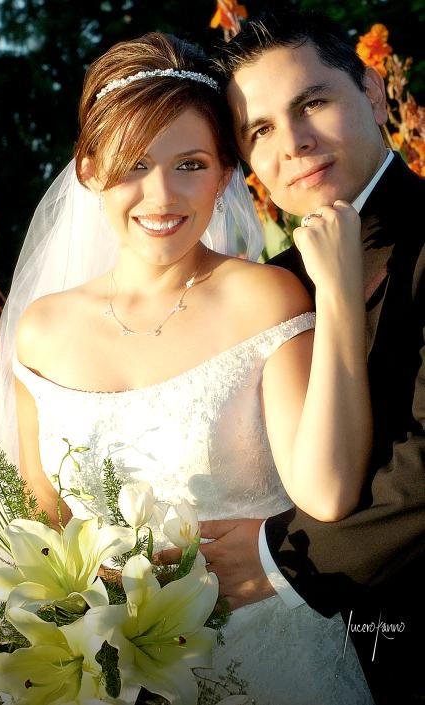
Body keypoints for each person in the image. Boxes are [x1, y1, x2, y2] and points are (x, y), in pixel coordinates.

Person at [0, 32, 375, 704]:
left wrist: (339, 299)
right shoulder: (42, 331)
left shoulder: (263, 297)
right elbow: (35, 536)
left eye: (189, 163)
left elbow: (326, 492)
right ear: (90, 168)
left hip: (271, 661)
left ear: (223, 172)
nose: (160, 196)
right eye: (132, 165)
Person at [175, 8, 424, 705]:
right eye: (259, 130)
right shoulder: (269, 290)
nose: (294, 144)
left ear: (374, 93)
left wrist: (276, 560)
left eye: (313, 102)